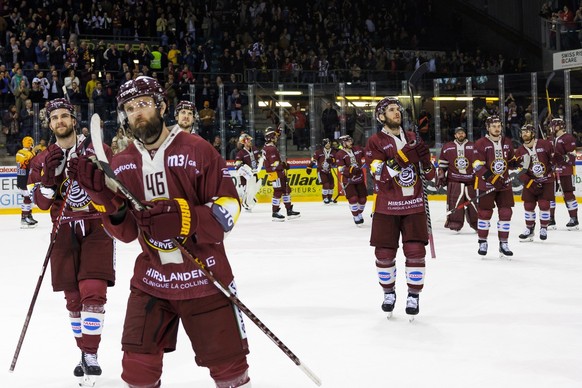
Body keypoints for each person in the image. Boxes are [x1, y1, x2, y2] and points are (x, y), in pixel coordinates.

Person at [71, 76, 251, 388]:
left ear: (161, 105)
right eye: (130, 108)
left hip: (205, 277)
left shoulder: (199, 150)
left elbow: (229, 208)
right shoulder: (123, 162)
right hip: (152, 281)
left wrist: (185, 218)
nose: (137, 112)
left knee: (231, 371)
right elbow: (126, 232)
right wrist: (104, 200)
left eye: (143, 103)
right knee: (137, 371)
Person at [28, 98, 116, 386]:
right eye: (55, 118)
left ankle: (90, 354)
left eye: (65, 116)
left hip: (96, 225)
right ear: (49, 123)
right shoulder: (42, 158)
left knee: (93, 290)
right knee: (73, 299)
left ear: (73, 119)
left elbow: (116, 190)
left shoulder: (96, 149)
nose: (60, 121)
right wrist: (49, 180)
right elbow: (39, 203)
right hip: (63, 230)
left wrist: (95, 180)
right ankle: (84, 351)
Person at [365, 97, 434, 318]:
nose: (397, 113)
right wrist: (404, 157)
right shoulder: (374, 142)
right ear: (381, 116)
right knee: (384, 254)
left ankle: (414, 295)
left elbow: (431, 177)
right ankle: (389, 293)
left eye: (398, 109)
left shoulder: (413, 138)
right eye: (391, 110)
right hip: (387, 206)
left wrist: (425, 161)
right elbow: (380, 175)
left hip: (414, 205)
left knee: (415, 251)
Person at [473, 115, 516, 257]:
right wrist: (492, 178)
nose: (497, 129)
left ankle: (504, 243)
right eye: (493, 126)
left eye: (499, 126)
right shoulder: (480, 143)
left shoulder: (507, 142)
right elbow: (476, 165)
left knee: (506, 213)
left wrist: (516, 163)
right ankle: (482, 241)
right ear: (488, 127)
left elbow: (510, 161)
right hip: (487, 185)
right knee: (485, 213)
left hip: (504, 184)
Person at [514, 124, 555, 242]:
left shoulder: (545, 144)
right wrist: (529, 181)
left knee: (544, 205)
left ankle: (543, 228)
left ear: (533, 133)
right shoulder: (520, 151)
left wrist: (556, 159)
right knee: (528, 205)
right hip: (531, 182)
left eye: (527, 132)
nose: (524, 134)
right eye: (522, 132)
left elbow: (553, 160)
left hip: (546, 180)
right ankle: (529, 228)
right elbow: (520, 170)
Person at [436, 127, 478, 232]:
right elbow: (442, 165)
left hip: (471, 181)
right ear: (455, 135)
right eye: (458, 133)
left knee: (474, 204)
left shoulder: (473, 146)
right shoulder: (447, 147)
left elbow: (479, 164)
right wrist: (440, 176)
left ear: (465, 134)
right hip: (454, 181)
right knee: (454, 204)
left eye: (462, 133)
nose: (460, 135)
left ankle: (477, 223)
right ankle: (455, 223)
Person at [262, 127, 301, 221]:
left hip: (277, 172)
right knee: (278, 191)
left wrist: (278, 131)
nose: (276, 138)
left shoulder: (268, 147)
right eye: (274, 136)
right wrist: (283, 166)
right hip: (275, 173)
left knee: (285, 190)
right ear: (271, 137)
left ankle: (289, 210)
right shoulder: (271, 149)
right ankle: (275, 212)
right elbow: (274, 164)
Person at [548, 118, 579, 229]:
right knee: (550, 195)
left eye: (553, 126)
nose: (551, 128)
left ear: (559, 126)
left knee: (568, 194)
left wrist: (561, 157)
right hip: (552, 172)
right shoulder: (551, 139)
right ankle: (551, 219)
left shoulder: (568, 138)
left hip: (565, 171)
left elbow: (572, 155)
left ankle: (574, 219)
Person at [335, 134, 367, 225]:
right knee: (353, 199)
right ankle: (355, 215)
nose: (350, 142)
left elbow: (368, 153)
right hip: (348, 179)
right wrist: (351, 170)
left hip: (359, 178)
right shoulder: (340, 154)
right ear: (343, 143)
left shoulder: (357, 149)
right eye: (348, 141)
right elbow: (340, 168)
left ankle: (359, 213)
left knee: (363, 199)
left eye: (350, 140)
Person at [234, 133, 264, 211]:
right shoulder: (240, 153)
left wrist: (259, 162)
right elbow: (237, 165)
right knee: (246, 190)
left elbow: (259, 158)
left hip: (254, 173)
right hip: (245, 177)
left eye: (250, 140)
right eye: (249, 140)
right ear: (244, 142)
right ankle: (246, 204)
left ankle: (250, 200)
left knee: (255, 186)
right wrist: (242, 166)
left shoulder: (255, 149)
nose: (250, 141)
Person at [15, 136, 38, 228]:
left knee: (28, 198)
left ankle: (28, 215)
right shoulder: (29, 154)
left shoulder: (19, 152)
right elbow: (33, 166)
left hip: (20, 178)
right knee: (27, 199)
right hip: (27, 179)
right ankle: (24, 217)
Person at [307, 138, 337, 204]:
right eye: (326, 143)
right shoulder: (318, 152)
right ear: (323, 144)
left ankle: (330, 197)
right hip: (321, 171)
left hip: (329, 171)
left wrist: (332, 161)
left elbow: (336, 161)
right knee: (326, 184)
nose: (328, 144)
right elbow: (313, 160)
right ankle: (325, 198)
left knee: (331, 185)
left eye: (329, 143)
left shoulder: (333, 152)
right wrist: (309, 167)